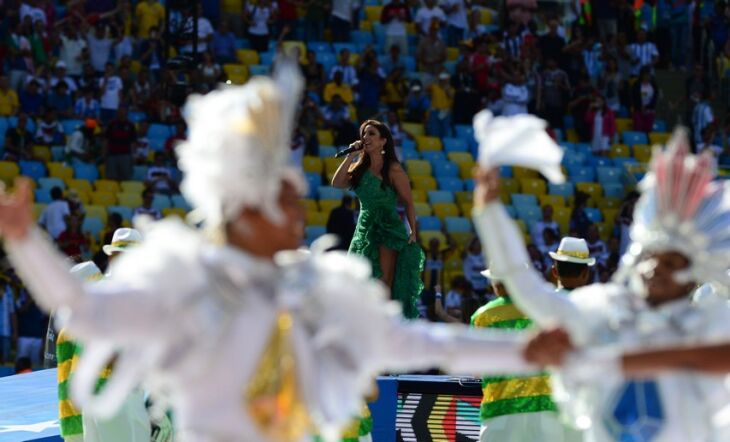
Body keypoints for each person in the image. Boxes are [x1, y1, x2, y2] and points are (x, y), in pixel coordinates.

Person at [0, 63, 538, 441]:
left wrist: (522, 353)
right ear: (246, 206)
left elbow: (410, 338)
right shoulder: (184, 277)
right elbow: (88, 309)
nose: (301, 204)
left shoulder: (317, 285)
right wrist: (25, 241)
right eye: (284, 195)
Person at [472, 123, 730, 442]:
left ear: (692, 278)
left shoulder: (711, 320)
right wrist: (491, 212)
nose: (655, 269)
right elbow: (530, 292)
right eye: (651, 257)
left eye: (672, 263)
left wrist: (608, 362)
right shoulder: (603, 307)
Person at [471, 267, 579, 442]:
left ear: (496, 283)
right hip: (545, 412)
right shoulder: (545, 310)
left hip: (501, 411)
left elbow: (476, 369)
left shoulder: (482, 316)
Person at [331, 119, 425, 318]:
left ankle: (385, 324)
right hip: (364, 228)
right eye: (364, 134)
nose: (366, 138)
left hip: (387, 228)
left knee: (382, 282)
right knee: (358, 281)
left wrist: (413, 232)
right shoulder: (359, 167)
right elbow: (337, 182)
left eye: (371, 133)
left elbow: (408, 202)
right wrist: (351, 156)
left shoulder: (393, 169)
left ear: (383, 141)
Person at [104, 107, 137, 181]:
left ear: (126, 113)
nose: (121, 113)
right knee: (111, 178)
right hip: (112, 155)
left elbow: (133, 142)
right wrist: (104, 153)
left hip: (126, 155)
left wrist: (133, 155)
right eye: (120, 111)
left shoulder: (131, 125)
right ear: (117, 113)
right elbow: (106, 140)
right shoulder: (111, 124)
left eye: (123, 111)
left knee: (125, 178)